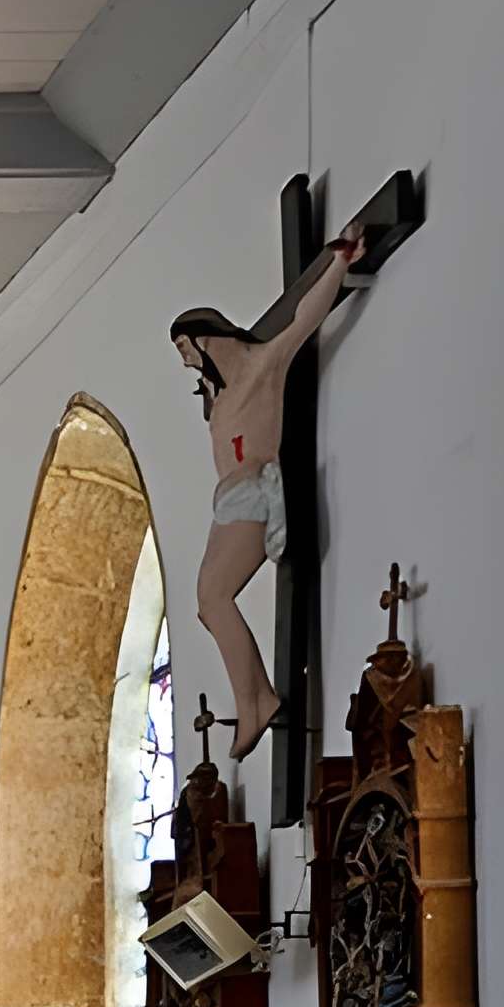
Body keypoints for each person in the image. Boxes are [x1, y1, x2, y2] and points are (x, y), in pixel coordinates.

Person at [174, 224, 368, 760]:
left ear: (205, 339)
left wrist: (339, 262)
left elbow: (305, 316)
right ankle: (257, 697)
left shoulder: (262, 367)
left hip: (257, 495)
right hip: (229, 501)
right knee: (206, 605)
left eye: (186, 349)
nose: (187, 361)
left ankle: (258, 701)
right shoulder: (218, 397)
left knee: (213, 598)